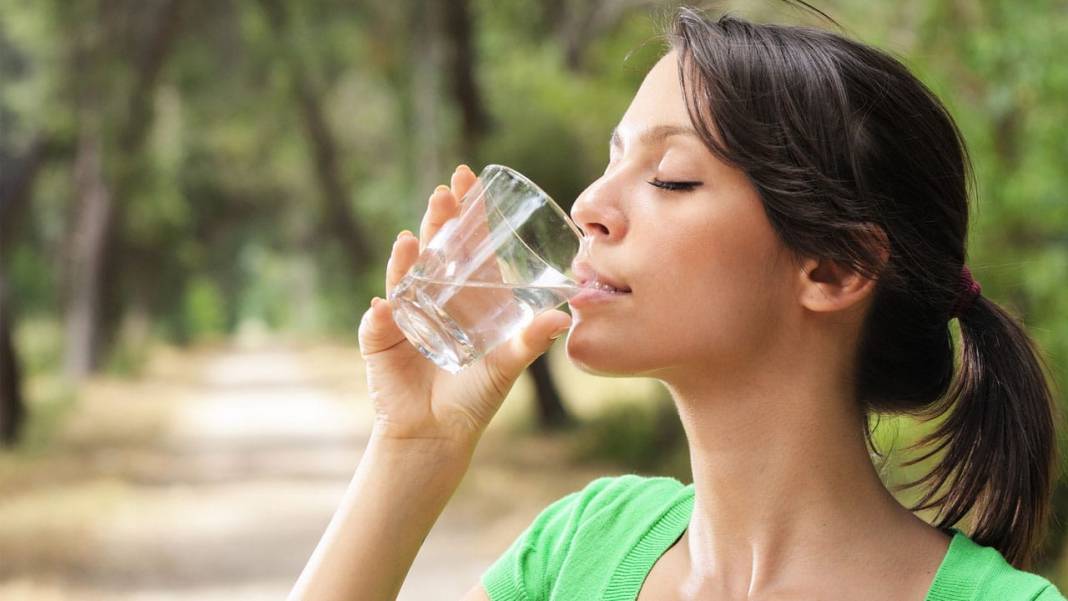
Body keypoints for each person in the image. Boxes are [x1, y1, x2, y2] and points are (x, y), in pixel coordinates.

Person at [288, 5, 1066, 601]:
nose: (589, 204)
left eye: (671, 178)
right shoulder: (580, 550)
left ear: (833, 268)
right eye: (611, 160)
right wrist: (413, 447)